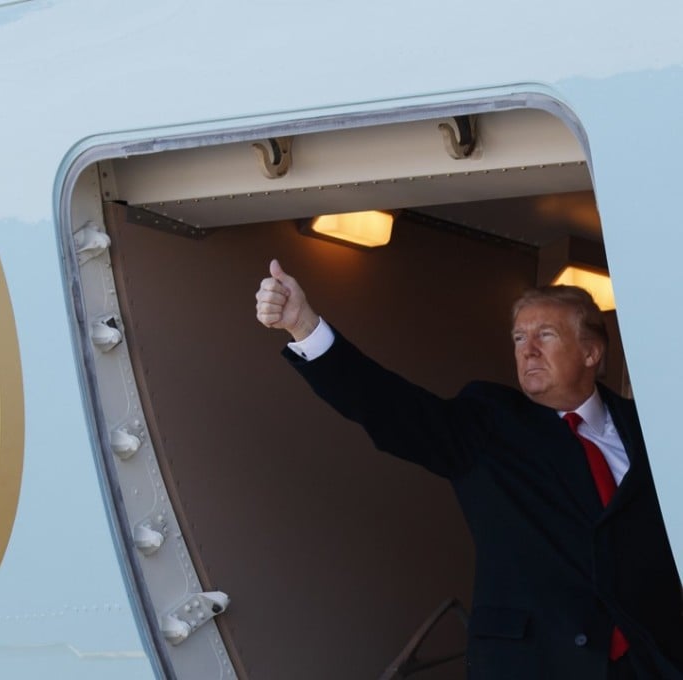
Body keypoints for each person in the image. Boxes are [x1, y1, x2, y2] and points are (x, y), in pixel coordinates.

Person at [255, 258, 683, 679]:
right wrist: (305, 327)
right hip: (533, 665)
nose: (528, 349)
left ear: (591, 352)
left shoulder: (650, 430)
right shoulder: (490, 421)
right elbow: (392, 408)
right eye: (519, 338)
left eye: (546, 335)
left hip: (650, 662)